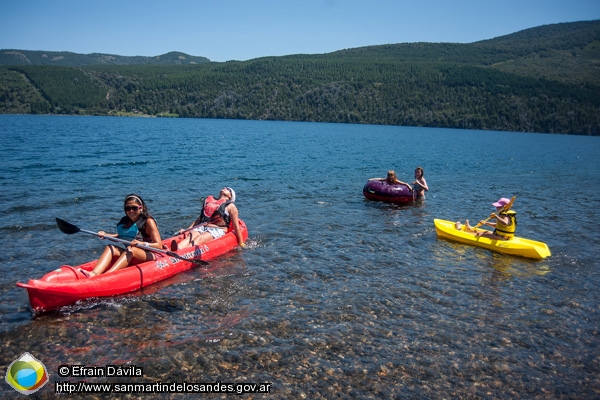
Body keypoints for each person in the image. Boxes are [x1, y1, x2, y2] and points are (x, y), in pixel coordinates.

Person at [80, 194, 162, 277]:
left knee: (131, 249)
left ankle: (108, 275)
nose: (131, 211)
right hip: (131, 252)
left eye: (134, 208)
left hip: (150, 255)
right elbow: (121, 236)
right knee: (110, 247)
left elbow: (159, 245)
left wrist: (141, 244)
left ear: (141, 207)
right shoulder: (126, 221)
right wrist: (105, 235)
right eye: (128, 208)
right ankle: (94, 273)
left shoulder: (148, 222)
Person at [173, 187, 246, 250]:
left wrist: (241, 243)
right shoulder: (211, 202)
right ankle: (176, 250)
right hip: (203, 227)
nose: (225, 188)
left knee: (199, 238)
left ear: (230, 197)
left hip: (217, 230)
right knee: (190, 236)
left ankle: (184, 253)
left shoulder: (231, 206)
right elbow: (199, 219)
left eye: (228, 189)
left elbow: (236, 226)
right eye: (224, 187)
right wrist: (187, 229)